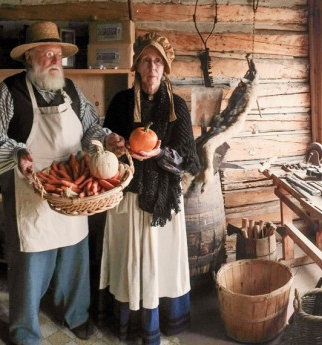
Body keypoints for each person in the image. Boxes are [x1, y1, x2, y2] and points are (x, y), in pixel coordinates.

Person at [0, 21, 125, 345]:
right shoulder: (10, 91)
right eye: (47, 54)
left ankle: (76, 313)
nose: (55, 60)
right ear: (29, 58)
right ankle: (25, 330)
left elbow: (90, 128)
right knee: (30, 265)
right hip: (31, 190)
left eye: (58, 54)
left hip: (73, 189)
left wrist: (108, 139)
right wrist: (16, 154)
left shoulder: (71, 90)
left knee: (75, 257)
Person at [97, 32, 201, 344]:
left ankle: (162, 320)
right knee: (128, 259)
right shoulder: (121, 102)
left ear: (165, 67)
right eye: (145, 60)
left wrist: (160, 154)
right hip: (127, 197)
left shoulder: (177, 107)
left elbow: (191, 160)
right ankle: (128, 320)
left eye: (157, 61)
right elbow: (108, 144)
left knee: (161, 264)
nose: (151, 67)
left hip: (164, 201)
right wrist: (112, 143)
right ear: (137, 66)